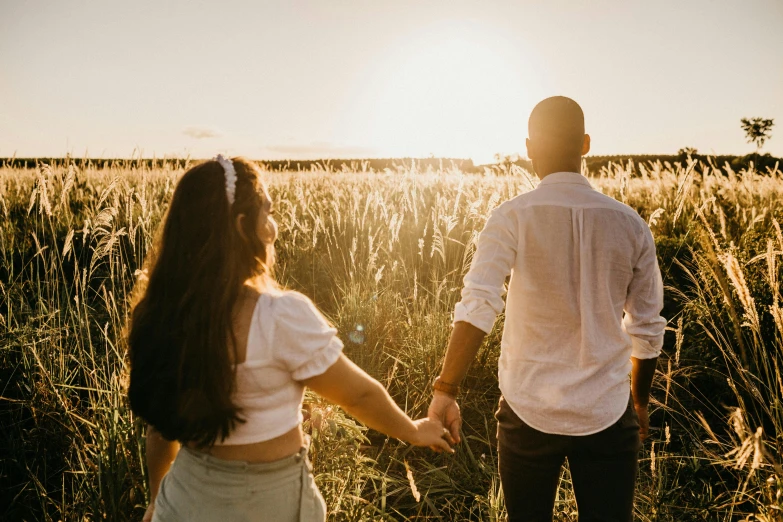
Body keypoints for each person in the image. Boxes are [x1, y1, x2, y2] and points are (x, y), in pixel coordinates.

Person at [127, 156, 453, 522]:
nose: (274, 225)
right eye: (267, 212)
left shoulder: (160, 317)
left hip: (183, 499)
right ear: (241, 227)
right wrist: (413, 430)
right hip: (270, 503)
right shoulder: (280, 317)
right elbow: (358, 396)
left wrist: (158, 496)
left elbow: (160, 428)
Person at [428, 96, 666, 521]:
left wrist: (446, 389)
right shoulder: (630, 224)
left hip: (527, 408)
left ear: (528, 148)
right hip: (608, 411)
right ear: (587, 144)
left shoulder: (510, 216)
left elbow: (479, 303)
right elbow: (647, 327)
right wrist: (639, 400)